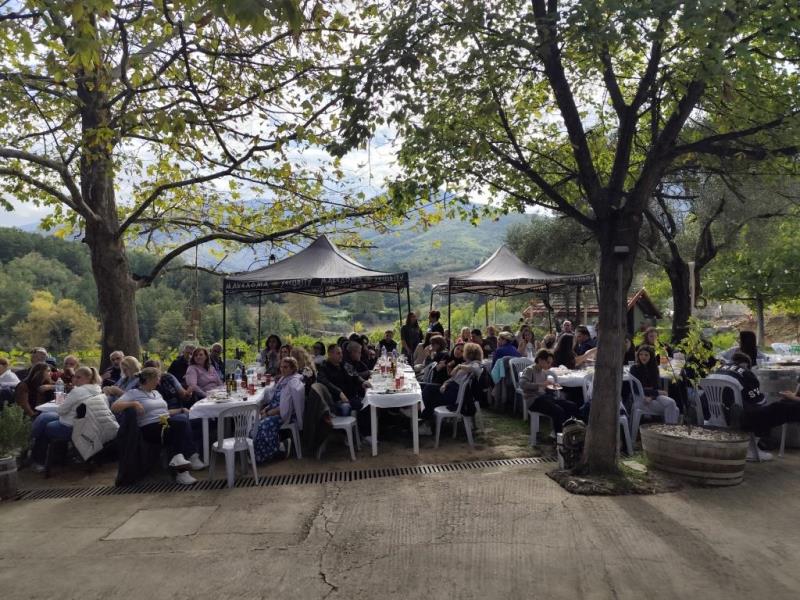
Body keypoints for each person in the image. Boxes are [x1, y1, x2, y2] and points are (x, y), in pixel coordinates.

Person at [111, 367, 204, 484]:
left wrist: (181, 410)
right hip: (150, 428)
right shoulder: (133, 393)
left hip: (164, 423)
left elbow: (164, 412)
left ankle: (181, 467)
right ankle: (190, 458)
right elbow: (114, 407)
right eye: (157, 379)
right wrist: (133, 403)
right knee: (180, 425)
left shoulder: (156, 393)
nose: (159, 382)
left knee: (188, 421)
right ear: (149, 379)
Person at [29, 367, 117, 472]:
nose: (75, 379)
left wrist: (65, 404)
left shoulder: (78, 391)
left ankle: (37, 459)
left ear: (89, 378)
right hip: (88, 424)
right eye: (74, 376)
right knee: (45, 417)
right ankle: (51, 455)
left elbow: (61, 411)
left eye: (79, 377)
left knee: (45, 427)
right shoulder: (97, 389)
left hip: (75, 427)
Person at [715, 352, 800, 460]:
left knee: (779, 406)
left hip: (714, 414)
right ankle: (750, 447)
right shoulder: (746, 374)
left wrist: (793, 397)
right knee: (774, 409)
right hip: (737, 415)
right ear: (746, 365)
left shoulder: (719, 369)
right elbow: (759, 402)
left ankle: (740, 424)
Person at [252, 357, 305, 462]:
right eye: (281, 367)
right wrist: (266, 408)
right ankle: (280, 447)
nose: (282, 369)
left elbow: (285, 407)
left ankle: (267, 454)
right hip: (274, 411)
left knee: (261, 426)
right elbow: (274, 399)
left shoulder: (293, 382)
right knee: (253, 424)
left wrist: (268, 413)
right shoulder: (283, 379)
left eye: (286, 367)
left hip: (285, 415)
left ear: (293, 369)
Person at [421, 342, 484, 428]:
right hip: (450, 390)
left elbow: (476, 369)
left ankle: (423, 419)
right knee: (425, 387)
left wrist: (459, 366)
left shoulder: (475, 363)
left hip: (455, 396)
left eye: (464, 351)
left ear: (469, 353)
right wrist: (445, 384)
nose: (462, 353)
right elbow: (452, 377)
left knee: (429, 394)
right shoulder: (466, 363)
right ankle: (422, 417)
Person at [520, 349, 578, 434]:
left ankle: (569, 431)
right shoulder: (529, 370)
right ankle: (559, 436)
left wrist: (551, 386)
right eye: (548, 362)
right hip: (533, 400)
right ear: (540, 360)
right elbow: (523, 384)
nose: (549, 365)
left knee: (571, 406)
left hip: (544, 397)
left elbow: (543, 388)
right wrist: (541, 384)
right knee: (558, 411)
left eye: (550, 363)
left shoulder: (543, 372)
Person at [629, 345, 679, 426]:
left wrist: (652, 396)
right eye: (641, 354)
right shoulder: (634, 368)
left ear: (651, 356)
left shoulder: (654, 368)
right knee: (675, 409)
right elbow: (637, 389)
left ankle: (669, 430)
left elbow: (657, 387)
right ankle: (670, 430)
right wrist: (657, 392)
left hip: (654, 396)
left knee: (671, 402)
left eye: (646, 355)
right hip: (641, 398)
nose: (643, 357)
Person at [317, 343, 371, 417]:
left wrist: (363, 382)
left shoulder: (343, 364)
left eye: (341, 353)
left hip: (350, 398)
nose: (341, 355)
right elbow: (324, 382)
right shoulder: (324, 367)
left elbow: (355, 374)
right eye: (338, 353)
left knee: (368, 403)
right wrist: (339, 392)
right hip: (335, 401)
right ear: (330, 354)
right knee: (346, 407)